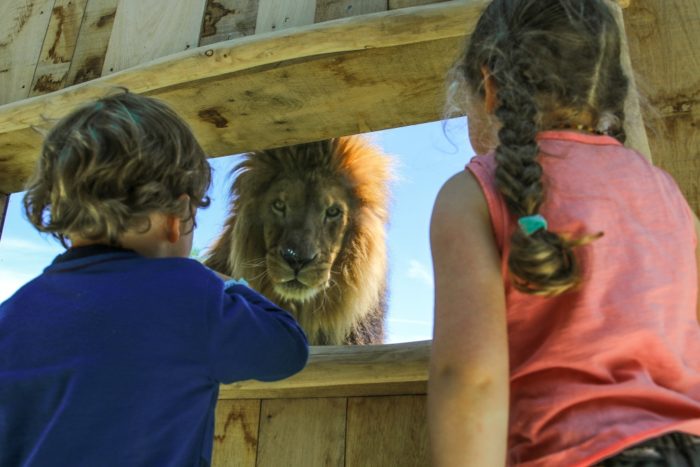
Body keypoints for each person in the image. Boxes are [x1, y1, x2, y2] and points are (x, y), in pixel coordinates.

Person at [428, 0, 700, 466]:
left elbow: (471, 379)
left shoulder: (471, 194)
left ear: (489, 86)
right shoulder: (668, 194)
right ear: (610, 96)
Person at [0, 91, 309, 466]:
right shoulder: (193, 296)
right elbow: (286, 349)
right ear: (178, 217)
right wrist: (223, 281)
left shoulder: (12, 314)